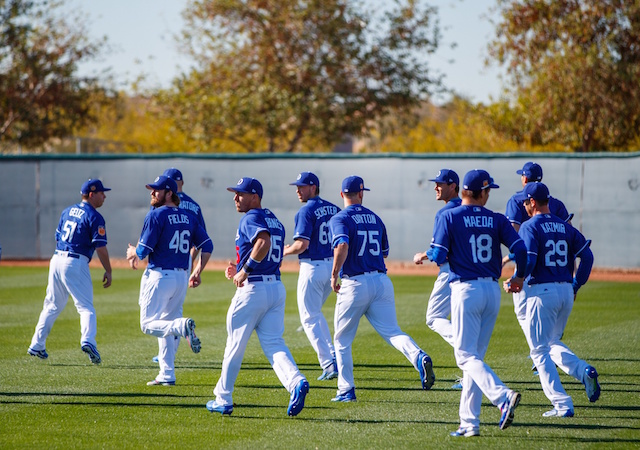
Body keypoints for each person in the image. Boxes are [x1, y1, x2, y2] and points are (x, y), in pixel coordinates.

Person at [430, 169, 527, 437]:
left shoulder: (449, 215)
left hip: (466, 290)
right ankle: (469, 423)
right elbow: (520, 250)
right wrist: (518, 277)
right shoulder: (495, 218)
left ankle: (502, 396)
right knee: (474, 357)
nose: (488, 195)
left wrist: (425, 253)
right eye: (488, 191)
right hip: (491, 290)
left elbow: (438, 255)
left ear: (463, 191)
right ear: (482, 193)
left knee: (464, 356)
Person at [206, 177, 309, 417]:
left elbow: (263, 242)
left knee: (234, 346)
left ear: (255, 196)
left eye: (240, 193)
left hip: (253, 290)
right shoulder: (274, 219)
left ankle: (223, 399)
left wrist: (245, 269)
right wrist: (242, 266)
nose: (235, 198)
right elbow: (268, 249)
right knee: (274, 343)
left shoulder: (251, 217)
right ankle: (295, 382)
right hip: (275, 287)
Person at [328, 175, 436, 403]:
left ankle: (346, 390)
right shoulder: (375, 218)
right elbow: (384, 252)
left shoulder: (340, 218)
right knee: (393, 332)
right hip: (381, 281)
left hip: (355, 283)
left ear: (341, 195)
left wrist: (334, 272)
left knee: (342, 340)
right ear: (361, 193)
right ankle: (419, 356)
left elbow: (342, 244)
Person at [504, 182, 599, 417]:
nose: (525, 206)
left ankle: (562, 404)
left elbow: (531, 259)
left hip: (541, 292)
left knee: (538, 351)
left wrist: (517, 278)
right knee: (551, 342)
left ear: (533, 202)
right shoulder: (564, 226)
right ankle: (582, 370)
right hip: (565, 291)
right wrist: (576, 285)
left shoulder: (530, 226)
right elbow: (587, 256)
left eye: (526, 202)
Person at [126, 175, 213, 386]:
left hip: (160, 276)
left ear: (169, 193)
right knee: (165, 323)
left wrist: (132, 251)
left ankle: (182, 327)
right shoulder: (188, 216)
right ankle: (167, 374)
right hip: (181, 277)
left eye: (157, 190)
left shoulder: (156, 215)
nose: (152, 193)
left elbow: (144, 250)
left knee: (148, 325)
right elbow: (207, 245)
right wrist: (198, 270)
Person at [28, 179, 113, 364]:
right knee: (85, 307)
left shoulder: (67, 211)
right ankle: (88, 340)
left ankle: (37, 344)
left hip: (57, 258)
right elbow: (101, 248)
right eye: (101, 192)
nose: (104, 196)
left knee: (51, 305)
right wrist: (108, 270)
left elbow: (57, 236)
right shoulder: (94, 216)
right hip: (75, 261)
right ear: (92, 194)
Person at [504, 162, 573, 367]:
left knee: (523, 312)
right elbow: (570, 236)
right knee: (552, 325)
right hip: (558, 270)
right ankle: (542, 352)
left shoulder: (517, 200)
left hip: (528, 265)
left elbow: (513, 233)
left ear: (524, 178)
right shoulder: (555, 203)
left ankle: (539, 353)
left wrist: (511, 257)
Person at [283, 171, 340, 381]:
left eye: (302, 186)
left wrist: (285, 251)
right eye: (297, 186)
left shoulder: (306, 210)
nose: (298, 190)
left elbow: (302, 244)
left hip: (312, 268)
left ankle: (328, 364)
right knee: (315, 313)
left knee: (309, 318)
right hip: (331, 267)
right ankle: (333, 355)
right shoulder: (335, 209)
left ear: (313, 188)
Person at [150, 167, 208, 364]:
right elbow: (202, 242)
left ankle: (167, 356)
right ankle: (169, 358)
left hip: (163, 266)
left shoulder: (160, 205)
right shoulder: (194, 206)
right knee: (174, 311)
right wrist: (192, 264)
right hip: (183, 267)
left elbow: (154, 236)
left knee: (158, 316)